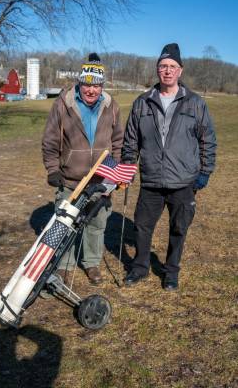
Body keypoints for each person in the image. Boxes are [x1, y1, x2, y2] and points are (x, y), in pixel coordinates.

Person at [122, 43, 217, 291]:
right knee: (142, 227)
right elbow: (131, 140)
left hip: (183, 181)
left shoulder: (195, 103)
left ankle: (171, 272)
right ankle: (140, 267)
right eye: (163, 66)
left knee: (179, 228)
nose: (167, 71)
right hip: (152, 180)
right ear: (157, 69)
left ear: (180, 71)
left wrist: (205, 171)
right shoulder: (142, 103)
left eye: (172, 66)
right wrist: (128, 167)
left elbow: (208, 139)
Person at [42, 53, 124, 285]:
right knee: (65, 224)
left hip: (99, 179)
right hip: (70, 180)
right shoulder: (63, 104)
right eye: (87, 83)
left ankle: (92, 263)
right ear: (80, 83)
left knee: (96, 225)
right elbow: (49, 141)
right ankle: (64, 266)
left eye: (96, 85)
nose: (91, 90)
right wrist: (52, 169)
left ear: (102, 86)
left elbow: (118, 143)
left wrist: (114, 173)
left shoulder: (112, 106)